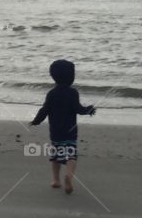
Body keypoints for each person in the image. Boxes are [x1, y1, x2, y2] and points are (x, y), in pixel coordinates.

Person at [28, 58, 96, 194]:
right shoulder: (73, 93)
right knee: (71, 155)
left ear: (53, 76)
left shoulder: (51, 94)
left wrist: (36, 121)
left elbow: (44, 110)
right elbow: (78, 109)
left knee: (56, 157)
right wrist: (88, 110)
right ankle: (69, 176)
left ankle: (56, 180)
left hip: (56, 132)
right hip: (70, 132)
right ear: (71, 77)